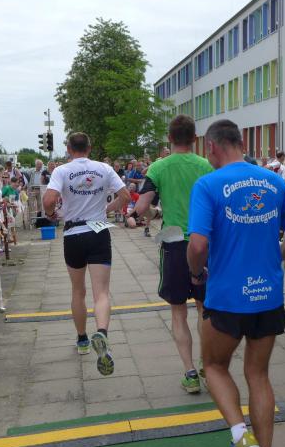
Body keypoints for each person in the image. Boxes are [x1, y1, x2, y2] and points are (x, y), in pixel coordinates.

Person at [187, 119, 285, 447]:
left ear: (211, 146)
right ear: (240, 142)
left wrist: (195, 273)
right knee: (258, 374)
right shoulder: (274, 181)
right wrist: (276, 257)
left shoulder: (208, 184)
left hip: (227, 297)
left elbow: (198, 245)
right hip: (267, 296)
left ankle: (242, 437)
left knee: (213, 366)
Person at [134, 115, 213, 394]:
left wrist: (139, 215)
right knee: (205, 309)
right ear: (195, 138)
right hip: (204, 243)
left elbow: (141, 207)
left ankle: (190, 373)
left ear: (169, 138)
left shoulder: (158, 167)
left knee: (178, 311)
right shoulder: (206, 166)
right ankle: (207, 364)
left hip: (174, 243)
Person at [43, 132, 129, 376]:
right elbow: (125, 196)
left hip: (73, 233)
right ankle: (101, 332)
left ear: (69, 149)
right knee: (101, 292)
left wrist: (51, 214)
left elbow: (49, 200)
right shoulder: (104, 168)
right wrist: (108, 208)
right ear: (89, 148)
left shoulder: (62, 170)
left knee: (78, 290)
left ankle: (82, 339)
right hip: (98, 230)